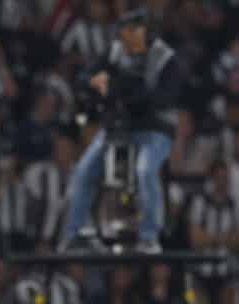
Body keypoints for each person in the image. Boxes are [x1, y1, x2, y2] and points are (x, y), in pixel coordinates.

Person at [59, 8, 182, 253]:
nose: (125, 38)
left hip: (154, 129)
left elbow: (162, 97)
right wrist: (100, 85)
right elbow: (85, 78)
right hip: (118, 128)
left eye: (131, 32)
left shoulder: (164, 58)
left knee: (145, 170)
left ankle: (149, 236)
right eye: (123, 33)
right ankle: (74, 234)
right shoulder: (115, 51)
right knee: (83, 172)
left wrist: (119, 91)